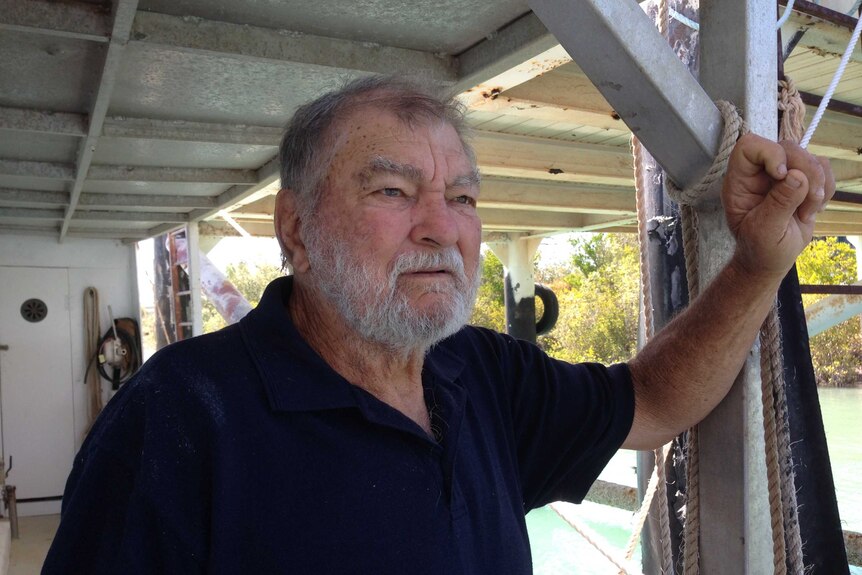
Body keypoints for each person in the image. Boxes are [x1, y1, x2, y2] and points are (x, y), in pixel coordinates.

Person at [43, 76, 834, 574]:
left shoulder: (480, 372)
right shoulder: (180, 414)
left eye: (462, 198)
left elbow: (654, 398)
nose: (440, 228)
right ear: (295, 229)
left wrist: (757, 264)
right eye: (392, 191)